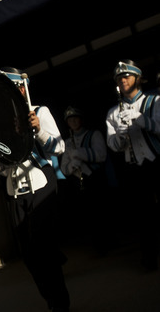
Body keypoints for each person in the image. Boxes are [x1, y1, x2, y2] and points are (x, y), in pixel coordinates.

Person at [0, 67, 70, 312]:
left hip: (40, 183)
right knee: (28, 253)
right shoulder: (0, 121)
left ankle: (59, 304)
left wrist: (38, 129)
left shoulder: (40, 111)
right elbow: (1, 167)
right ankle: (51, 296)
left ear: (22, 88)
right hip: (15, 189)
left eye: (14, 87)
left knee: (43, 250)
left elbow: (58, 147)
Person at [105, 59, 160, 271]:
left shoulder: (155, 101)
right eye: (119, 78)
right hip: (134, 168)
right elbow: (112, 145)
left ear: (137, 78)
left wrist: (141, 119)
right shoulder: (112, 113)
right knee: (143, 216)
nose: (123, 80)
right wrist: (119, 138)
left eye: (127, 76)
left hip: (157, 161)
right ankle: (149, 259)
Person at [60, 106, 111, 251]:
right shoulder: (67, 142)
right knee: (87, 215)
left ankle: (107, 242)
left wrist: (79, 154)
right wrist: (72, 166)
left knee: (101, 212)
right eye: (70, 119)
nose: (73, 121)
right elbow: (64, 168)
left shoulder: (93, 135)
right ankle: (96, 245)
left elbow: (101, 155)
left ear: (81, 119)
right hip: (78, 181)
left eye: (75, 118)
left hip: (95, 178)